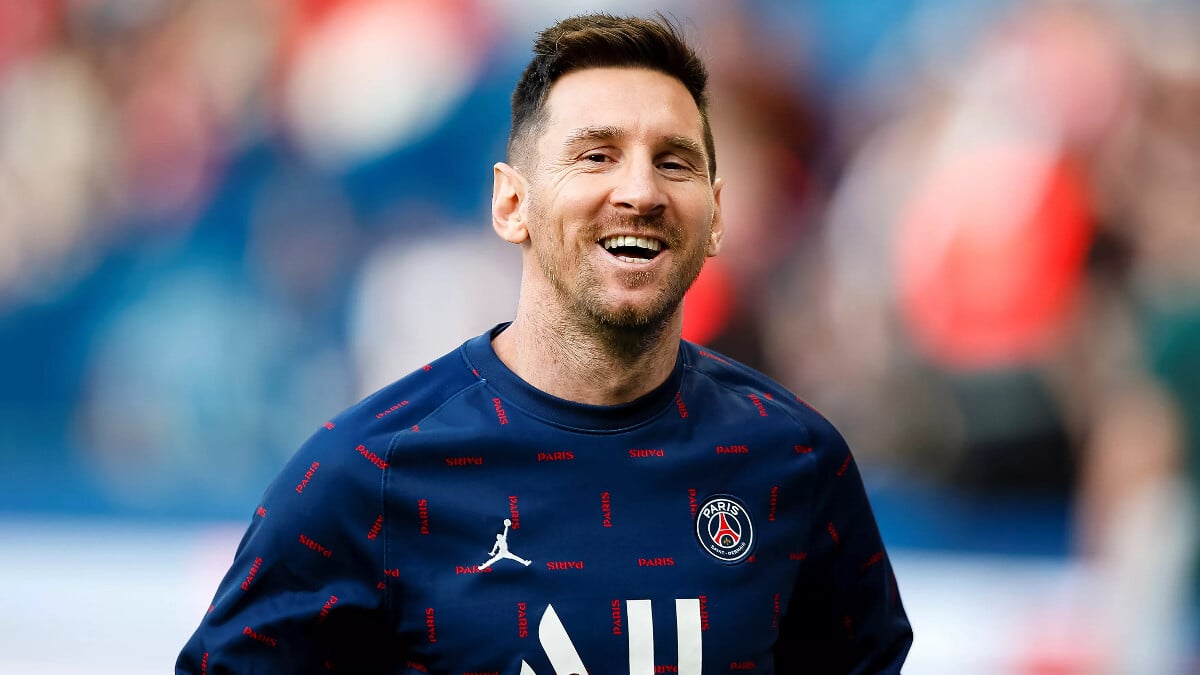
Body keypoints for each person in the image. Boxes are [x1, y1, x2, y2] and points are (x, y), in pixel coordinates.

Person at [176, 12, 912, 674]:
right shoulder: (367, 474)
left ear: (716, 215)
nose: (640, 191)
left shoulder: (797, 462)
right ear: (511, 203)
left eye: (675, 161)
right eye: (595, 155)